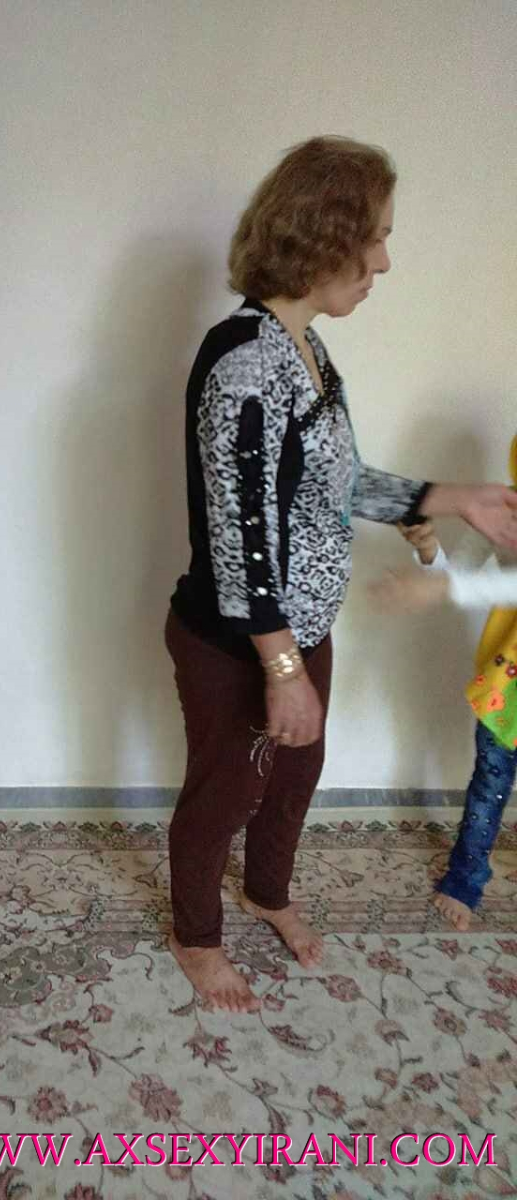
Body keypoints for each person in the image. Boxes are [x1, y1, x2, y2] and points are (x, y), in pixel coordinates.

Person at [165, 135, 517, 1013]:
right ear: (324, 239)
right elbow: (239, 539)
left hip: (303, 627)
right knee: (227, 793)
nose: (384, 263)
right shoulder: (245, 363)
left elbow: (338, 480)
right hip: (240, 643)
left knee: (295, 777)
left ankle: (268, 893)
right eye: (376, 238)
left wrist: (453, 499)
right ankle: (195, 936)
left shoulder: (306, 349)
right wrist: (282, 669)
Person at [370, 439, 517, 929]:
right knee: (489, 785)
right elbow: (460, 575)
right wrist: (429, 550)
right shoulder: (505, 511)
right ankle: (466, 879)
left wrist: (441, 587)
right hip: (508, 684)